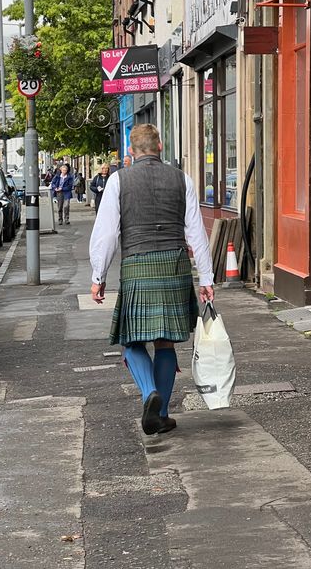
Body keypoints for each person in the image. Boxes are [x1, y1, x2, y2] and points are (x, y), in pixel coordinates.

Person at [89, 123, 214, 435]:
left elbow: (106, 234)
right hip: (174, 264)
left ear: (131, 151)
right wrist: (207, 278)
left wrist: (98, 275)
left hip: (137, 265)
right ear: (160, 147)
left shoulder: (119, 180)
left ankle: (149, 396)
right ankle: (161, 412)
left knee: (132, 341)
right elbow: (196, 232)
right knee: (165, 343)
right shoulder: (181, 178)